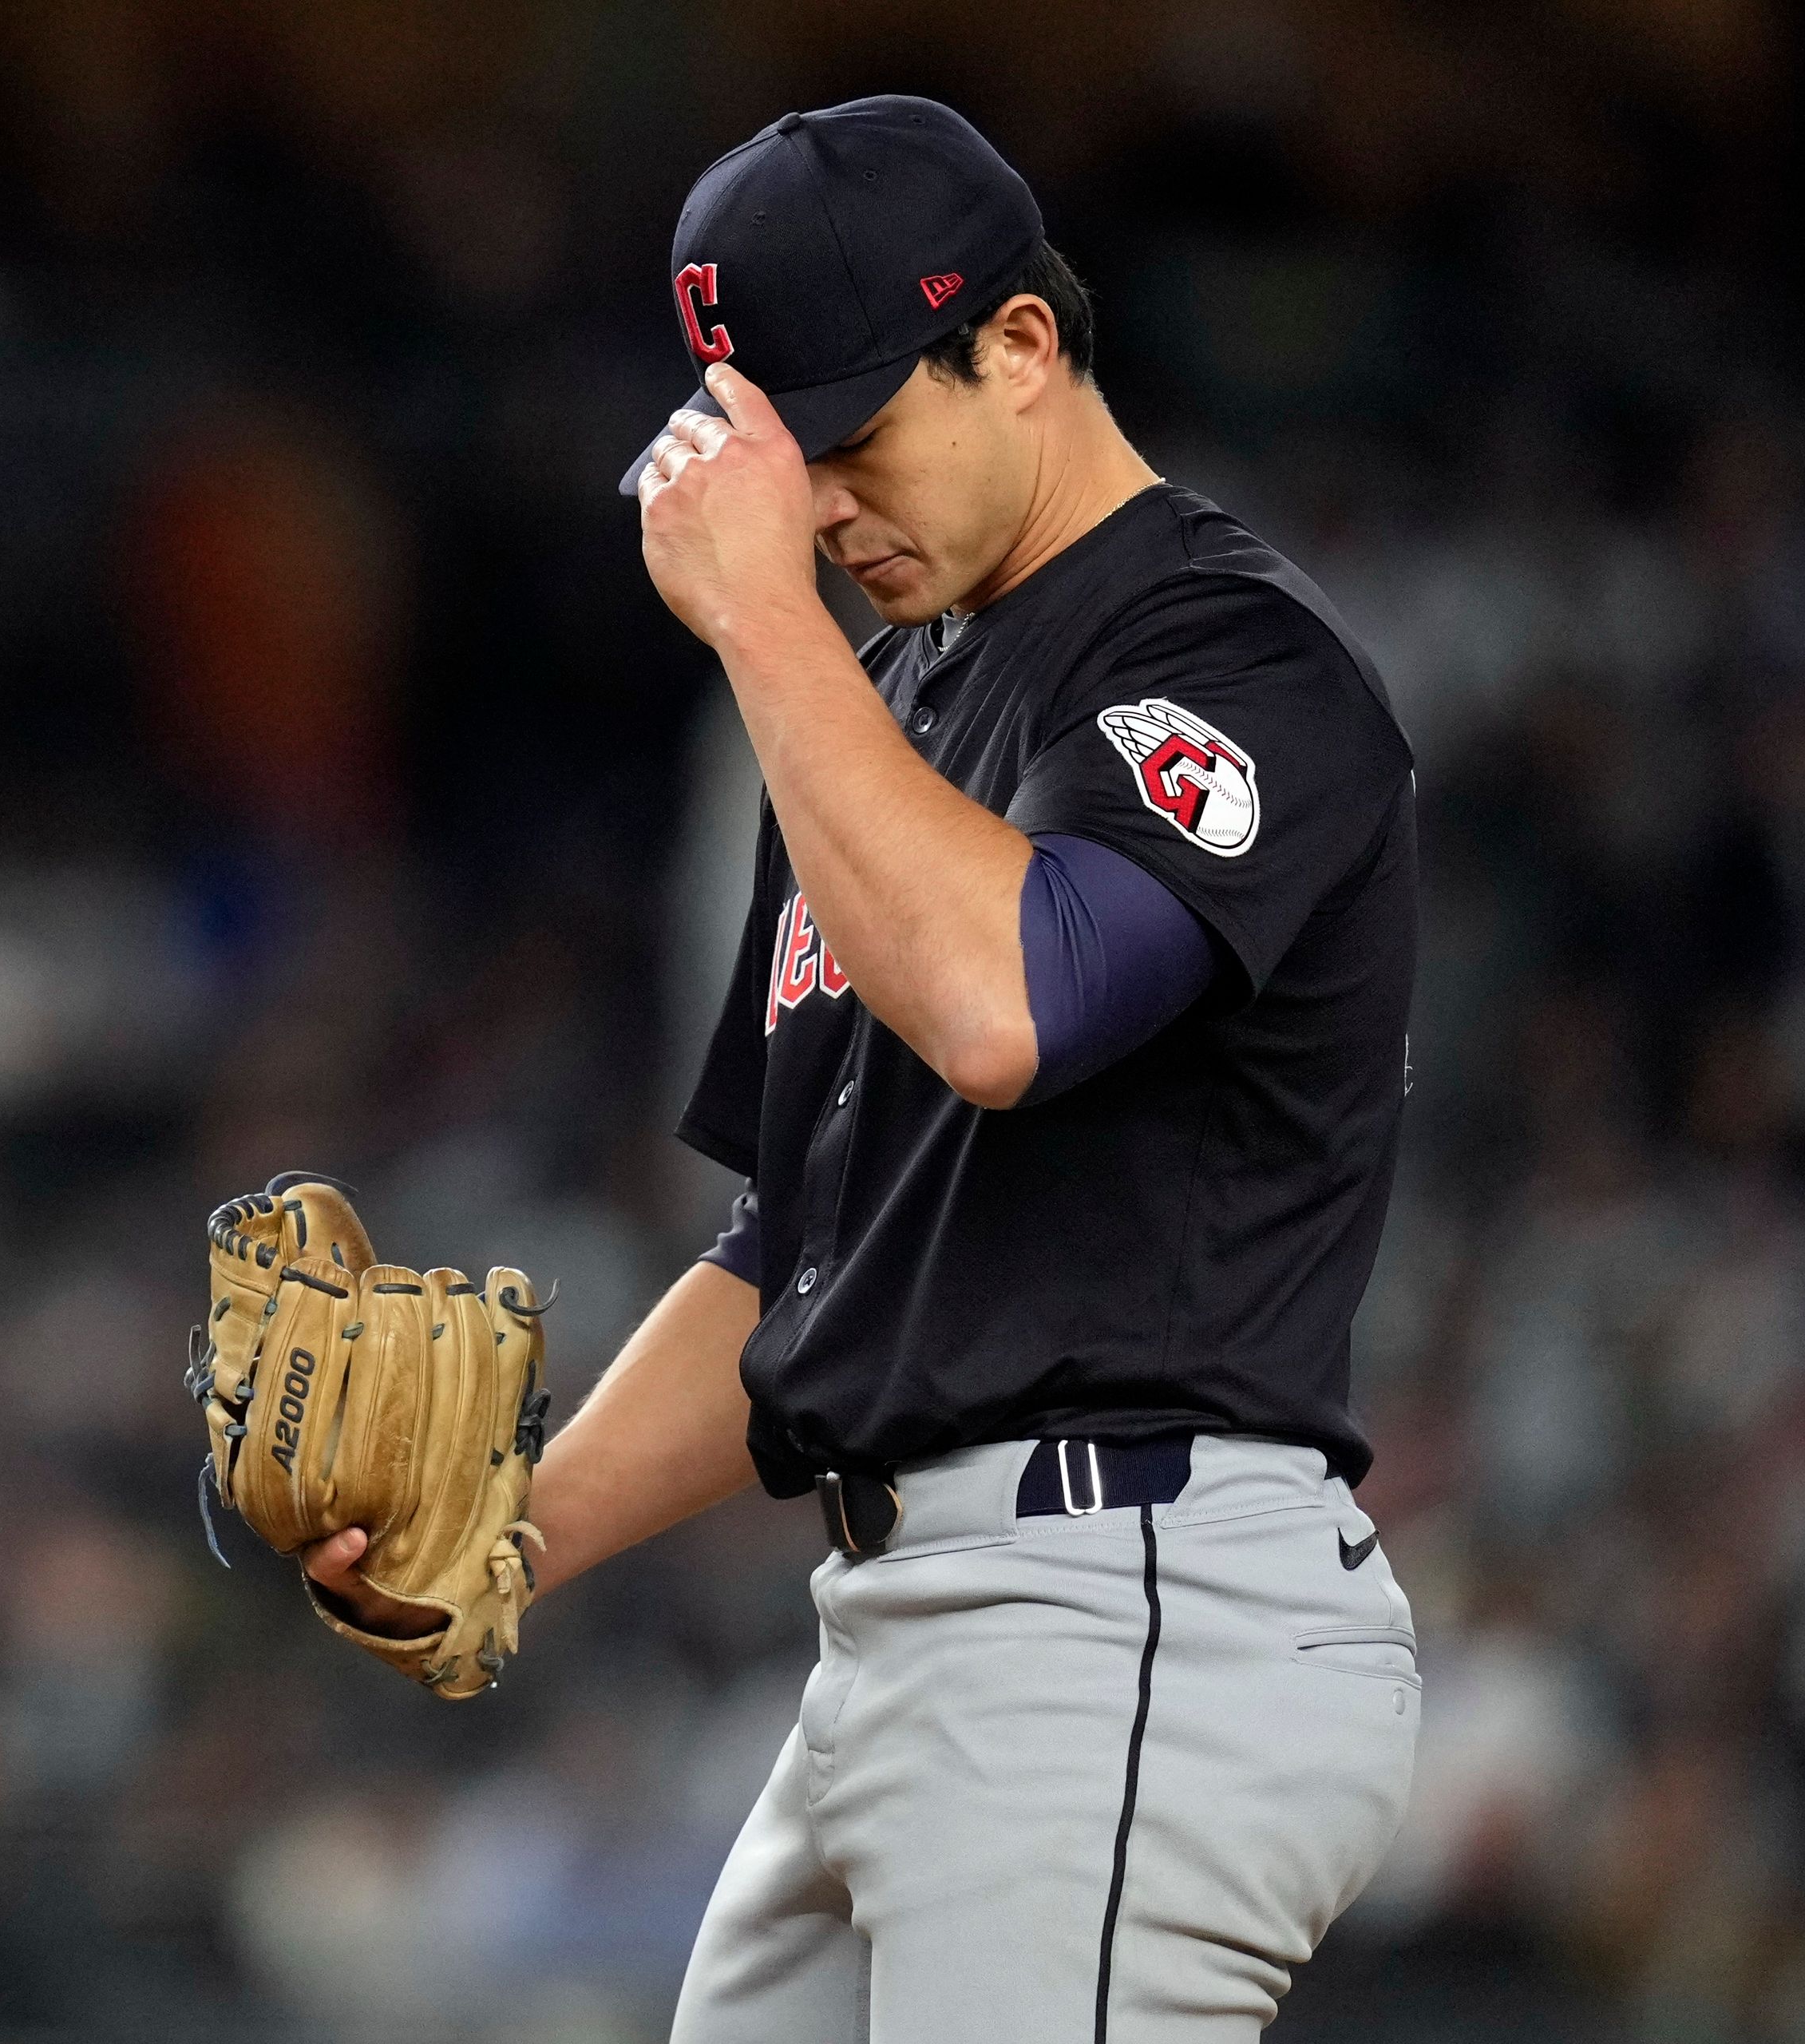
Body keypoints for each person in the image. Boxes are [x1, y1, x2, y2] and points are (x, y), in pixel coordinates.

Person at [308, 95, 1422, 2042]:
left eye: (849, 440)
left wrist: (757, 623)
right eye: (778, 457)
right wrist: (510, 1533)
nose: (814, 507)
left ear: (1018, 345)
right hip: (910, 1633)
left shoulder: (1233, 651)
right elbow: (799, 1255)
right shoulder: (881, 704)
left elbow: (1007, 1008)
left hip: (1128, 1604)